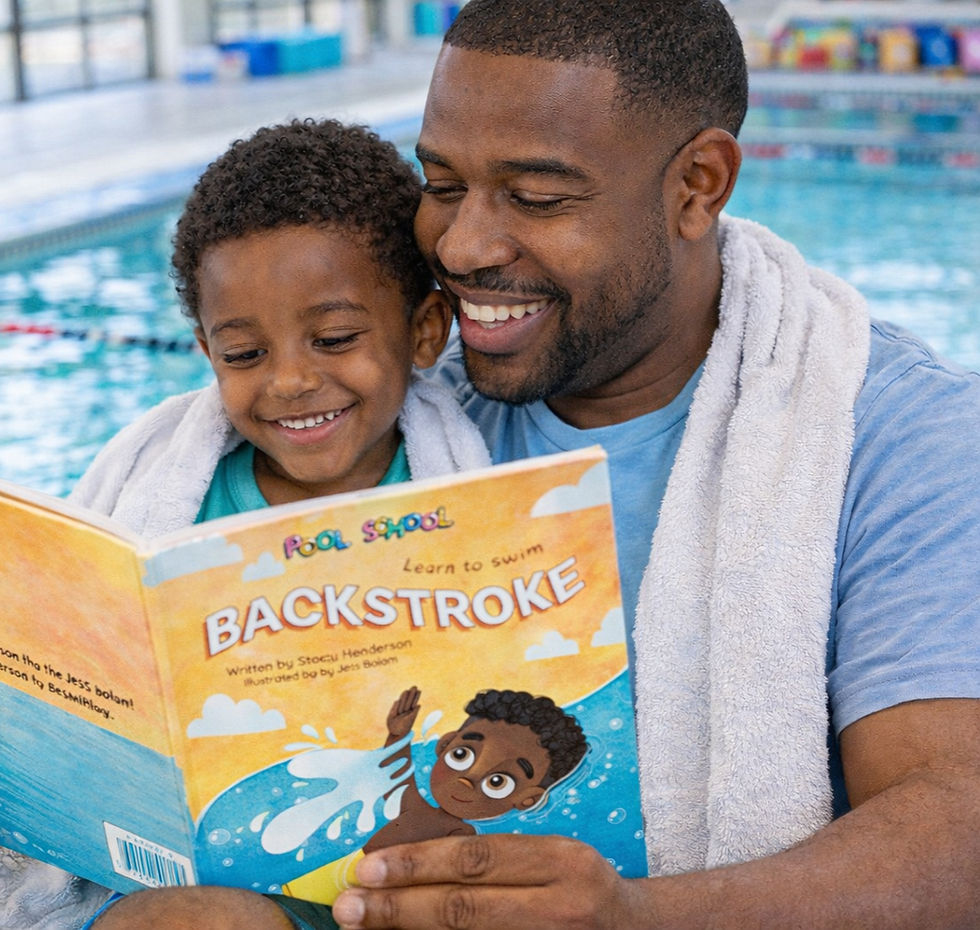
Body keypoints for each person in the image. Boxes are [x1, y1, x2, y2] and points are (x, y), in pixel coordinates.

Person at [83, 0, 980, 927]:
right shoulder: (385, 413)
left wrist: (634, 919)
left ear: (698, 185)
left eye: (538, 198)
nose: (461, 247)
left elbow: (958, 827)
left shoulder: (888, 437)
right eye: (441, 184)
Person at [0, 116, 490, 930]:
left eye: (333, 338)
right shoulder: (166, 496)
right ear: (205, 351)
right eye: (244, 354)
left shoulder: (471, 505)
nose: (290, 381)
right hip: (194, 891)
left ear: (424, 331)